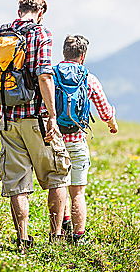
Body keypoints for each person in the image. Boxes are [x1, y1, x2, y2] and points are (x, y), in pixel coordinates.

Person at [0, 0, 71, 248]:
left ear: (19, 9)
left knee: (17, 183)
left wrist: (3, 104)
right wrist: (53, 116)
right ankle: (55, 236)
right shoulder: (41, 34)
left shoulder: (0, 34)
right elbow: (44, 76)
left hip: (8, 120)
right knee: (57, 174)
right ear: (41, 12)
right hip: (37, 119)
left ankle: (22, 239)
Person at [55, 35, 118, 244]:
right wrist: (112, 124)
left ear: (64, 52)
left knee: (59, 186)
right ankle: (79, 236)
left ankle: (60, 228)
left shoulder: (51, 75)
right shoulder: (89, 78)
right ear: (82, 56)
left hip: (54, 139)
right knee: (78, 191)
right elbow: (104, 110)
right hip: (76, 139)